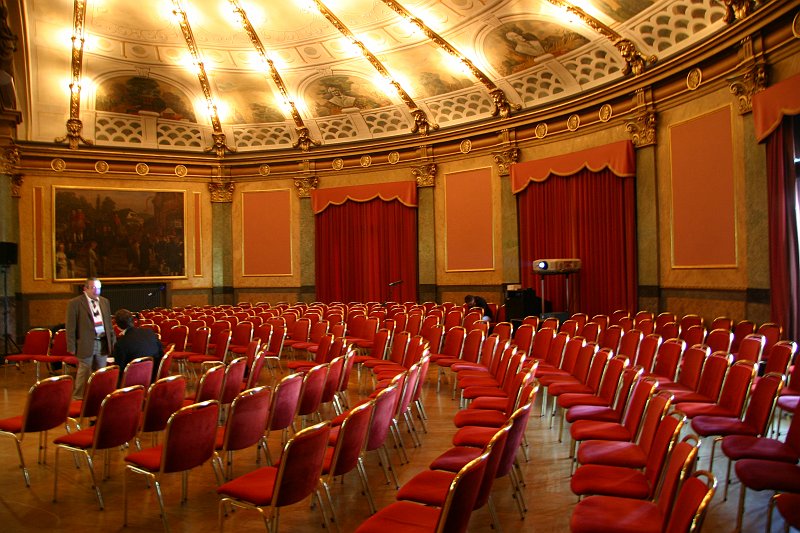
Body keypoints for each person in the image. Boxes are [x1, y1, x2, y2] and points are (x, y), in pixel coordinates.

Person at [65, 277, 115, 400]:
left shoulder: (104, 302)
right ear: (85, 289)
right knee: (84, 372)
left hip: (102, 342)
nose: (96, 291)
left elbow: (108, 323)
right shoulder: (75, 303)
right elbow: (70, 327)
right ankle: (78, 397)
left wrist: (112, 340)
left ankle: (98, 398)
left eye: (98, 288)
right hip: (86, 343)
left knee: (101, 372)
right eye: (93, 288)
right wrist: (71, 346)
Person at [112, 308, 163, 383]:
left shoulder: (121, 343)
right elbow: (161, 352)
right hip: (155, 376)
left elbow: (120, 369)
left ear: (117, 326)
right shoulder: (149, 332)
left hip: (132, 382)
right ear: (133, 321)